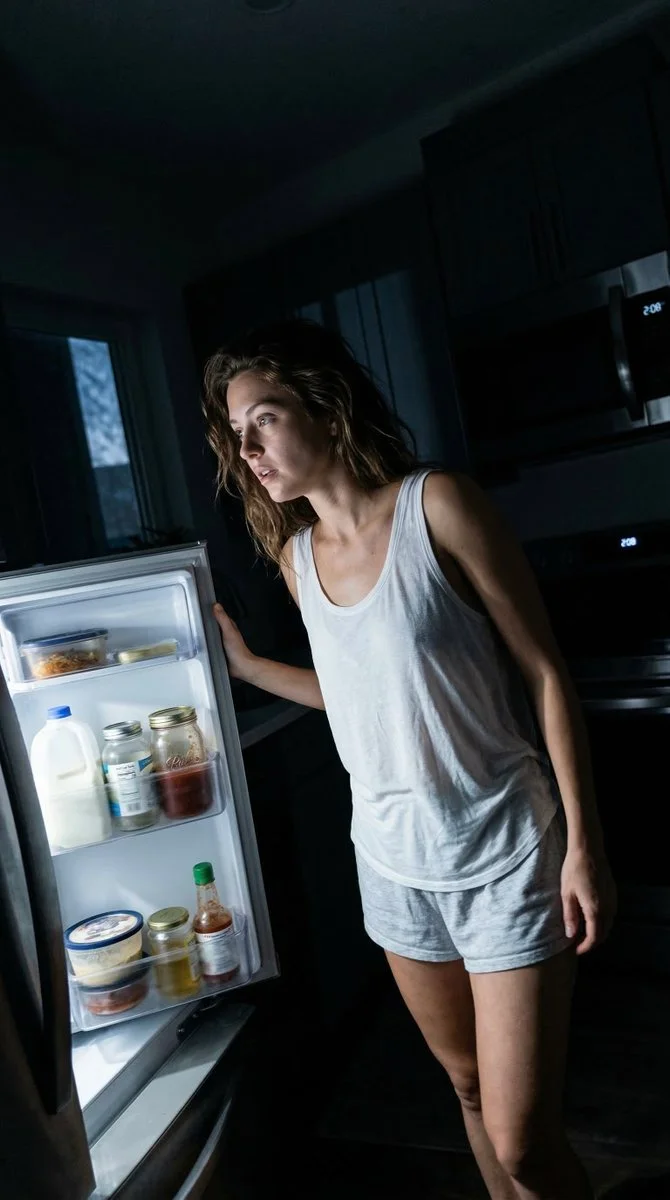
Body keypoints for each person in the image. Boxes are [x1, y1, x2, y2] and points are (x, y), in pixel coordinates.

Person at [202, 318, 617, 1200]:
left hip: (504, 852)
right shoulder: (296, 555)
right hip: (393, 869)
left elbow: (545, 672)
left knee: (524, 1141)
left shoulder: (439, 507)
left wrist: (585, 844)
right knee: (465, 1088)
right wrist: (241, 666)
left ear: (323, 404)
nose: (247, 451)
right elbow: (356, 692)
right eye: (235, 436)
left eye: (263, 420)